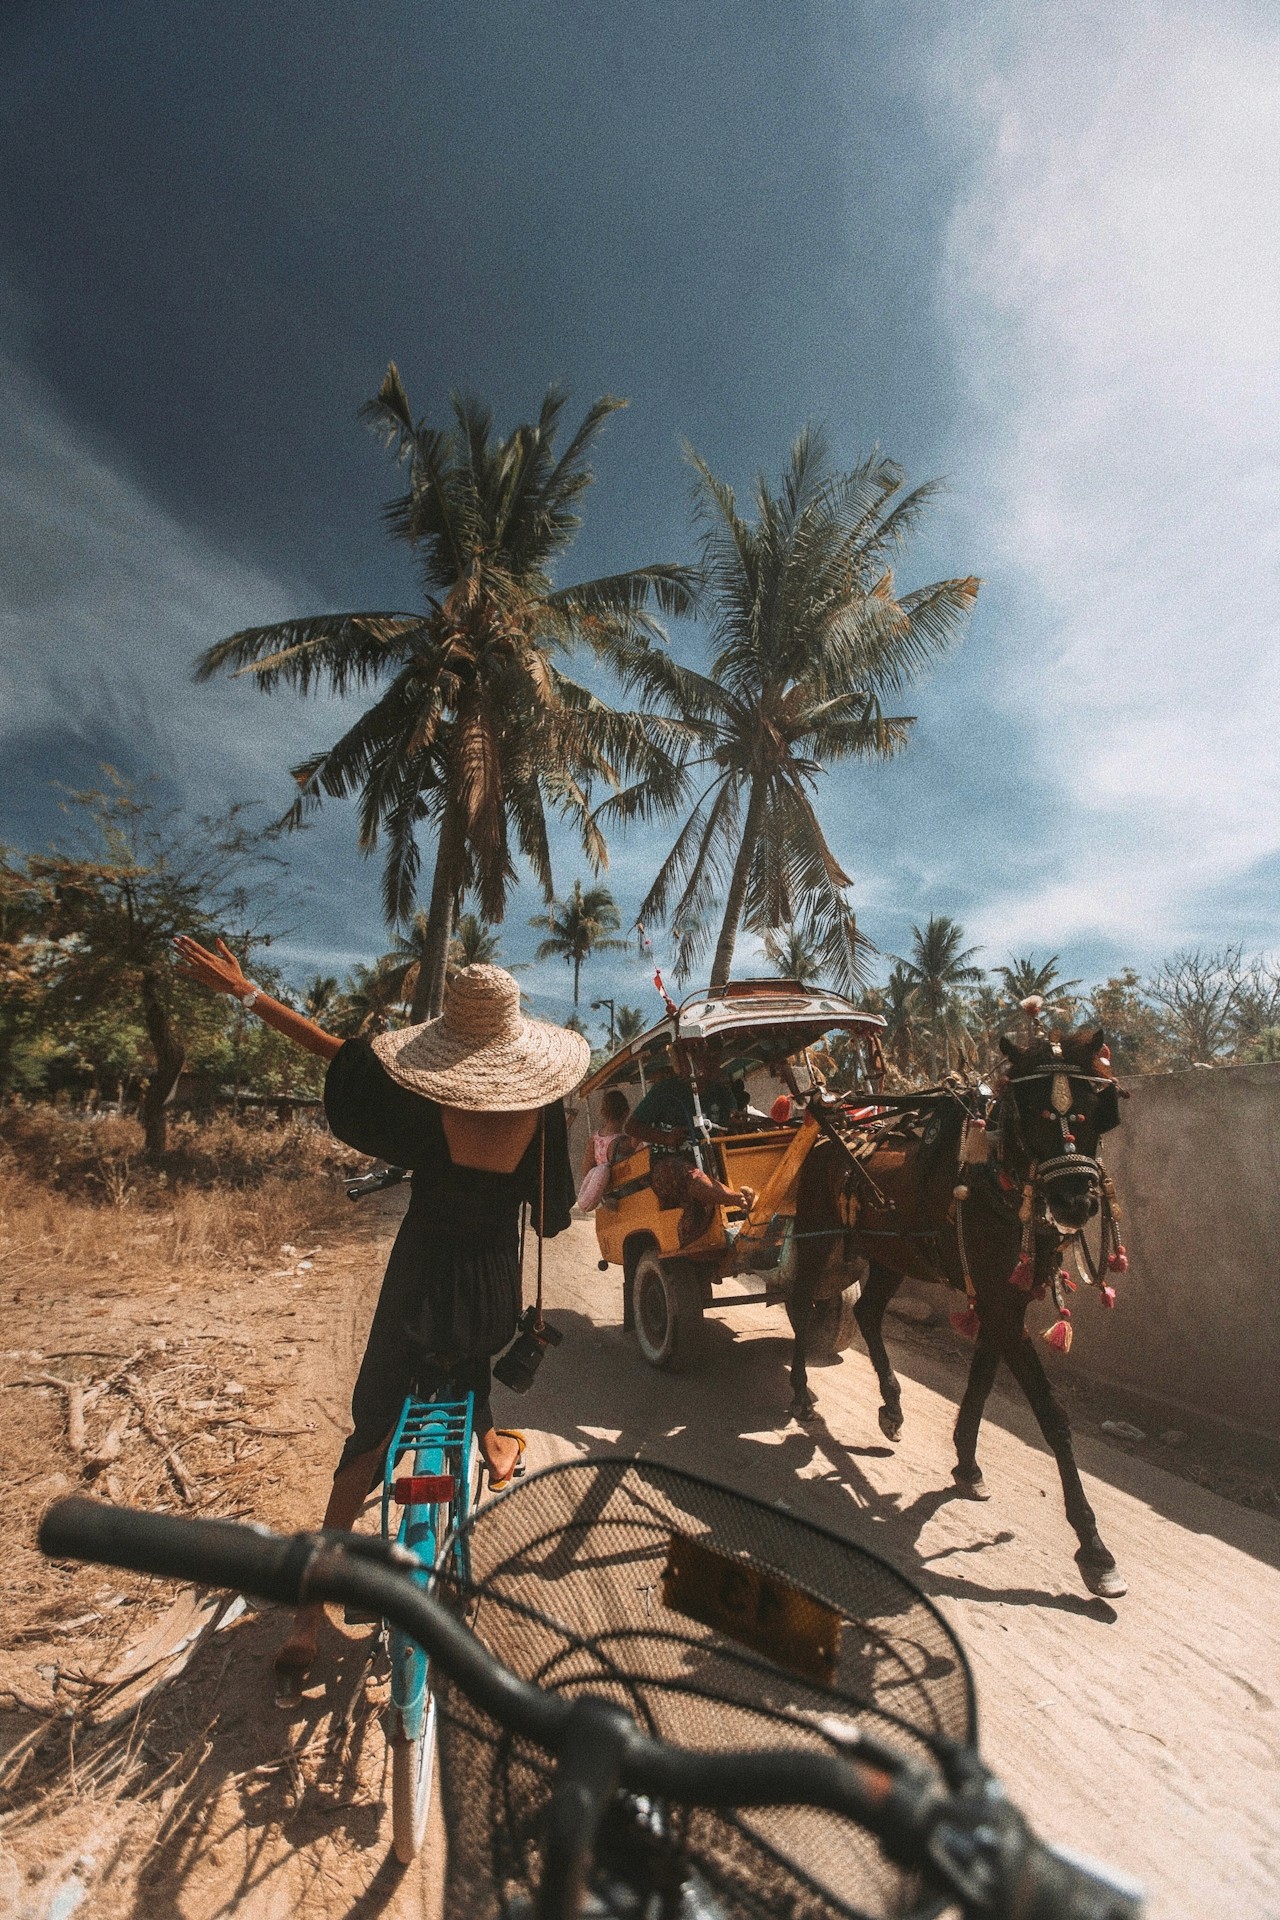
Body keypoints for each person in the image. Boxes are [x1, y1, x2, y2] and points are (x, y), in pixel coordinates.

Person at [172, 937, 585, 1691]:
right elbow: (553, 1216)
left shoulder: (425, 1099)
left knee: (372, 1430)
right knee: (467, 1374)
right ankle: (489, 1445)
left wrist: (250, 995)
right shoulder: (543, 1111)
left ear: (451, 1036)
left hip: (421, 1278)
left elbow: (341, 1057)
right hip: (491, 1285)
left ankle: (307, 1619)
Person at [625, 1040, 754, 1243]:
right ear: (687, 1059)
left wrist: (737, 1122)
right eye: (706, 1056)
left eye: (715, 1057)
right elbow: (631, 1127)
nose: (712, 1062)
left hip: (712, 1161)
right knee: (687, 1173)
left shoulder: (722, 1093)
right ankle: (738, 1200)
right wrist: (667, 1138)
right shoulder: (664, 1091)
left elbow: (731, 1124)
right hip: (667, 1165)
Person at [576, 1087, 630, 1212]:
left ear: (603, 1112)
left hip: (603, 1190)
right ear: (626, 1112)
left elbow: (586, 1170)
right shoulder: (622, 1142)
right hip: (620, 1190)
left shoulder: (594, 1139)